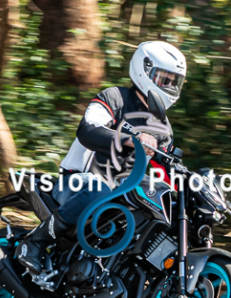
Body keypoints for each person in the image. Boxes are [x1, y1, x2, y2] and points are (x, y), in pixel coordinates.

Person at [16, 40, 187, 276]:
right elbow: (88, 130)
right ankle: (35, 241)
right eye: (164, 79)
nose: (169, 86)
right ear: (144, 70)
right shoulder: (115, 98)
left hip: (122, 197)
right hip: (78, 182)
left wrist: (200, 185)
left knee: (165, 213)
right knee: (99, 190)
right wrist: (130, 139)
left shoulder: (163, 130)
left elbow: (170, 172)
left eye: (174, 82)